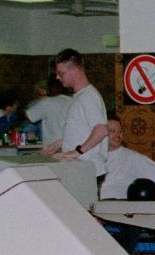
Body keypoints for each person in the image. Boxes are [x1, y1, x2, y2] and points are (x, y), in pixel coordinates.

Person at [44, 48, 110, 181]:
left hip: (88, 169)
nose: (57, 77)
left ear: (75, 70)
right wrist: (59, 143)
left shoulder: (88, 97)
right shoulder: (80, 96)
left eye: (61, 73)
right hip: (81, 168)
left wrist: (77, 152)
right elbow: (84, 131)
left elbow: (101, 130)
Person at [25, 77, 73, 148]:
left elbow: (28, 116)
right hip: (70, 144)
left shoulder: (47, 102)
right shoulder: (72, 101)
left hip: (52, 146)